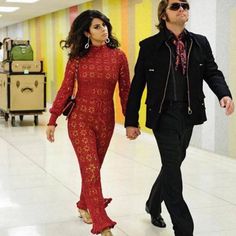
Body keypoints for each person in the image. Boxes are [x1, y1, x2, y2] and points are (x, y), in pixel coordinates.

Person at [125, 0, 234, 236]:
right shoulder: (150, 46)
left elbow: (212, 71)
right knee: (173, 170)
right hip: (162, 115)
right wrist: (131, 121)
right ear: (164, 14)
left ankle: (153, 204)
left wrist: (224, 94)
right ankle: (184, 228)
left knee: (171, 164)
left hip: (188, 114)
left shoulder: (199, 43)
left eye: (185, 5)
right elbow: (137, 86)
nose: (182, 9)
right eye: (176, 6)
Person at [46, 10, 130, 236]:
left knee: (93, 168)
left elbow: (125, 92)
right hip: (80, 120)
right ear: (86, 32)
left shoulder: (118, 56)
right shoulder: (77, 59)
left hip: (106, 121)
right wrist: (52, 119)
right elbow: (65, 89)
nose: (103, 29)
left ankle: (84, 205)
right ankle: (102, 224)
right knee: (91, 169)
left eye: (104, 25)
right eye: (97, 26)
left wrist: (131, 121)